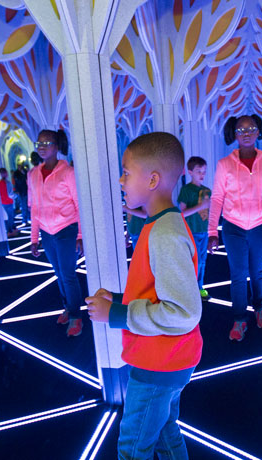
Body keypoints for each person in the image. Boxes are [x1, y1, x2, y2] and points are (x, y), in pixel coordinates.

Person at [86, 132, 202, 460]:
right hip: (166, 359)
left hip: (158, 363)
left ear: (152, 179)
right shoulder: (161, 226)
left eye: (126, 171)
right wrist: (120, 299)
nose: (122, 180)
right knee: (165, 433)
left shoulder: (164, 234)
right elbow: (157, 291)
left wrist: (117, 315)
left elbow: (183, 311)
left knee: (133, 447)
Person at [208, 114, 262, 341]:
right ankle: (240, 318)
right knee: (238, 274)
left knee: (258, 271)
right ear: (235, 134)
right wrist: (212, 231)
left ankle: (260, 308)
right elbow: (217, 198)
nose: (247, 133)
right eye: (241, 130)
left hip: (260, 225)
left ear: (259, 131)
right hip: (233, 227)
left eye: (251, 128)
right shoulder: (224, 165)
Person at [28, 129, 86, 337]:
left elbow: (80, 204)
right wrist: (34, 238)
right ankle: (68, 308)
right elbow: (33, 207)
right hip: (46, 231)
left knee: (68, 274)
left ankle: (76, 316)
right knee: (58, 273)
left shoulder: (67, 172)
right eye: (39, 143)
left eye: (47, 142)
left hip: (66, 229)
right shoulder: (33, 174)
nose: (42, 146)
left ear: (56, 145)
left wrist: (80, 236)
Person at [177, 156, 211, 299]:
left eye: (204, 172)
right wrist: (200, 206)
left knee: (202, 261)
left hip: (204, 231)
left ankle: (199, 287)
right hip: (191, 231)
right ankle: (190, 289)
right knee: (193, 261)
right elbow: (182, 213)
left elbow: (208, 212)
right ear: (190, 172)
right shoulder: (186, 190)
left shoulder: (207, 191)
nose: (202, 175)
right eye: (199, 171)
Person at [0, 168, 17, 237]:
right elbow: (10, 194)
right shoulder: (7, 183)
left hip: (3, 201)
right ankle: (10, 230)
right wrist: (16, 196)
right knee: (10, 216)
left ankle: (12, 229)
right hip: (9, 201)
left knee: (9, 216)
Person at [12, 161, 30, 226]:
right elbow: (18, 182)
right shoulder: (16, 173)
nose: (20, 167)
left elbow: (28, 177)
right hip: (21, 192)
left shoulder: (24, 171)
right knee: (23, 206)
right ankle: (24, 220)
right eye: (19, 165)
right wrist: (23, 175)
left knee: (28, 205)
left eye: (20, 165)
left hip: (27, 190)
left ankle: (29, 218)